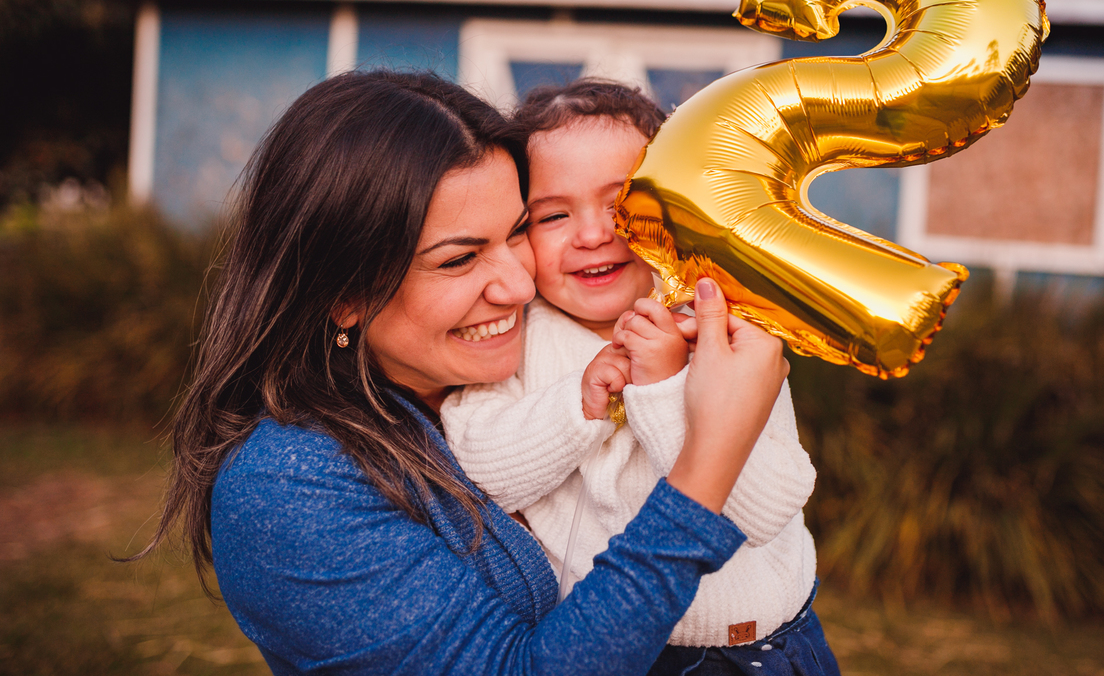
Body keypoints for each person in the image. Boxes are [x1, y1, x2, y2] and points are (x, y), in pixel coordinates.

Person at [137, 70, 791, 676]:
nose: (516, 283)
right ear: (344, 294)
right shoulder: (287, 487)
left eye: (516, 233)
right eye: (458, 260)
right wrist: (707, 462)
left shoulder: (505, 373)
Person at [441, 80, 839, 676]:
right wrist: (580, 405)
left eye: (621, 201)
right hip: (631, 651)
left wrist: (666, 391)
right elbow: (482, 468)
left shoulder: (727, 325)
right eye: (553, 214)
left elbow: (765, 510)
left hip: (776, 644)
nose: (594, 233)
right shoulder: (513, 334)